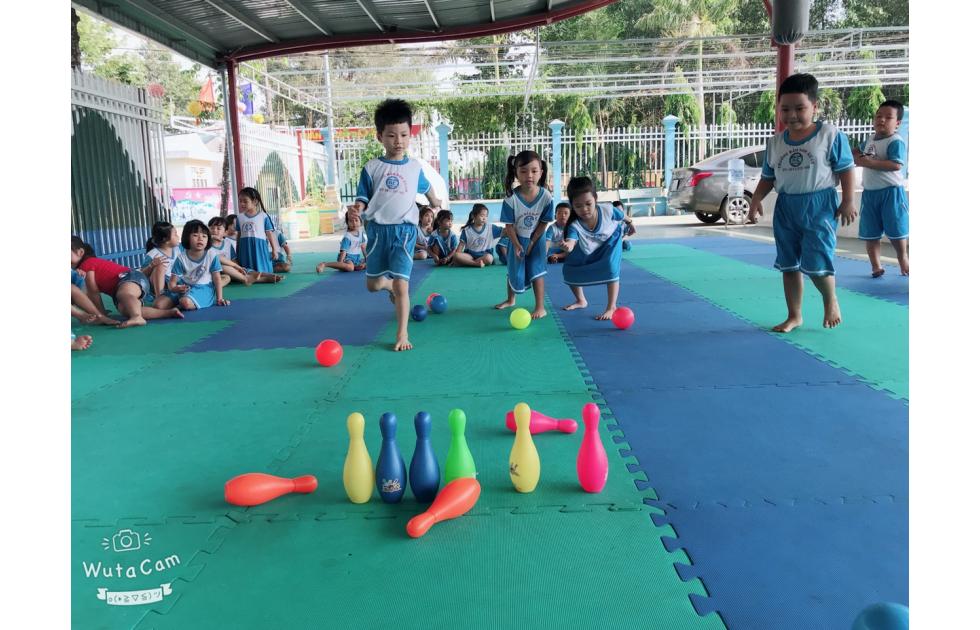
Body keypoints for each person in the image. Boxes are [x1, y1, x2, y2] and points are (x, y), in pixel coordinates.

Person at [747, 73, 856, 332]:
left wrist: (849, 200)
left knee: (816, 262)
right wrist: (755, 201)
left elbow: (846, 168)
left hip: (819, 205)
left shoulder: (829, 135)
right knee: (789, 264)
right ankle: (794, 315)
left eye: (800, 108)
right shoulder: (775, 143)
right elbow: (768, 177)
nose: (791, 115)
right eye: (785, 109)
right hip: (786, 208)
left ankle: (830, 298)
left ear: (814, 106)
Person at [352, 98, 444, 351]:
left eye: (404, 134)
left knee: (403, 284)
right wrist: (358, 209)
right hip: (377, 233)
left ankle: (402, 333)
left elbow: (426, 188)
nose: (398, 141)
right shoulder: (371, 168)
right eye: (391, 135)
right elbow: (362, 197)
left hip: (404, 233)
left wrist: (435, 201)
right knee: (372, 286)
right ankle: (387, 284)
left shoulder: (414, 167)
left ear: (410, 134)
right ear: (380, 136)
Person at [559, 177, 634, 319]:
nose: (584, 209)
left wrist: (631, 223)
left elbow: (622, 215)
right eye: (578, 206)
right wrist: (567, 246)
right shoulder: (575, 224)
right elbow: (571, 241)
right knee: (569, 269)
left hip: (610, 241)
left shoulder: (607, 210)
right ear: (572, 205)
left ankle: (611, 307)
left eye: (588, 204)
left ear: (595, 198)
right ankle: (581, 300)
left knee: (610, 267)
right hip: (590, 247)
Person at [72, 236, 182, 328]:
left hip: (130, 278)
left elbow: (93, 291)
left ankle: (137, 317)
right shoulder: (78, 270)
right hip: (124, 286)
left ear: (80, 252)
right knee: (124, 309)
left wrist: (101, 313)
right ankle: (168, 313)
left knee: (124, 294)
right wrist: (101, 313)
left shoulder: (87, 264)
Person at [494, 150, 553, 318]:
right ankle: (510, 299)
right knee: (513, 270)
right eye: (524, 171)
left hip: (538, 238)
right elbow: (509, 226)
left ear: (541, 172)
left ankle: (540, 307)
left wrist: (533, 242)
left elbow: (544, 222)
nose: (529, 176)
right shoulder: (510, 199)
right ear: (516, 173)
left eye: (534, 171)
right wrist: (518, 245)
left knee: (537, 270)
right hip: (517, 239)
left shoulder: (546, 197)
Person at [853, 100, 909, 277]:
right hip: (870, 193)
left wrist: (868, 162)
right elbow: (856, 152)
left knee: (896, 231)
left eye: (888, 117)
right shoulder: (870, 139)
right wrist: (856, 156)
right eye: (878, 116)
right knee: (871, 233)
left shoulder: (895, 141)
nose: (881, 120)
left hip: (891, 193)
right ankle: (876, 266)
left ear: (897, 123)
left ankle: (903, 260)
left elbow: (895, 165)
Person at [168, 220, 230, 310]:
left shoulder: (211, 255)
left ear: (208, 239)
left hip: (204, 288)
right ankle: (182, 301)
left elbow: (217, 278)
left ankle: (186, 301)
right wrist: (175, 288)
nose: (200, 239)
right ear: (187, 237)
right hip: (184, 287)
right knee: (159, 304)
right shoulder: (181, 258)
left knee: (185, 302)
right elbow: (172, 282)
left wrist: (219, 298)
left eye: (204, 236)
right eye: (195, 235)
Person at [235, 188, 280, 274]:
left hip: (259, 247)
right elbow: (239, 235)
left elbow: (269, 234)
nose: (242, 204)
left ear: (255, 201)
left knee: (263, 269)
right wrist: (237, 249)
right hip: (244, 247)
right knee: (245, 269)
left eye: (245, 201)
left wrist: (274, 249)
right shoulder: (239, 217)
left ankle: (263, 275)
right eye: (240, 201)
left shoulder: (263, 216)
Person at [143, 220, 180, 306]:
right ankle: (160, 296)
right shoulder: (152, 254)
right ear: (165, 240)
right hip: (160, 284)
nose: (178, 237)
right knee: (160, 266)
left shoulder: (179, 249)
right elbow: (142, 275)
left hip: (176, 283)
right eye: (175, 234)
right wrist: (151, 266)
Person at [455, 203, 502, 268]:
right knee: (456, 255)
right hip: (470, 256)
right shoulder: (466, 230)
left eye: (486, 216)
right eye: (482, 215)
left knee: (489, 258)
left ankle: (470, 263)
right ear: (473, 216)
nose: (484, 218)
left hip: (484, 256)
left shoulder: (491, 228)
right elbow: (459, 249)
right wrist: (456, 258)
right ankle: (475, 263)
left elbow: (506, 232)